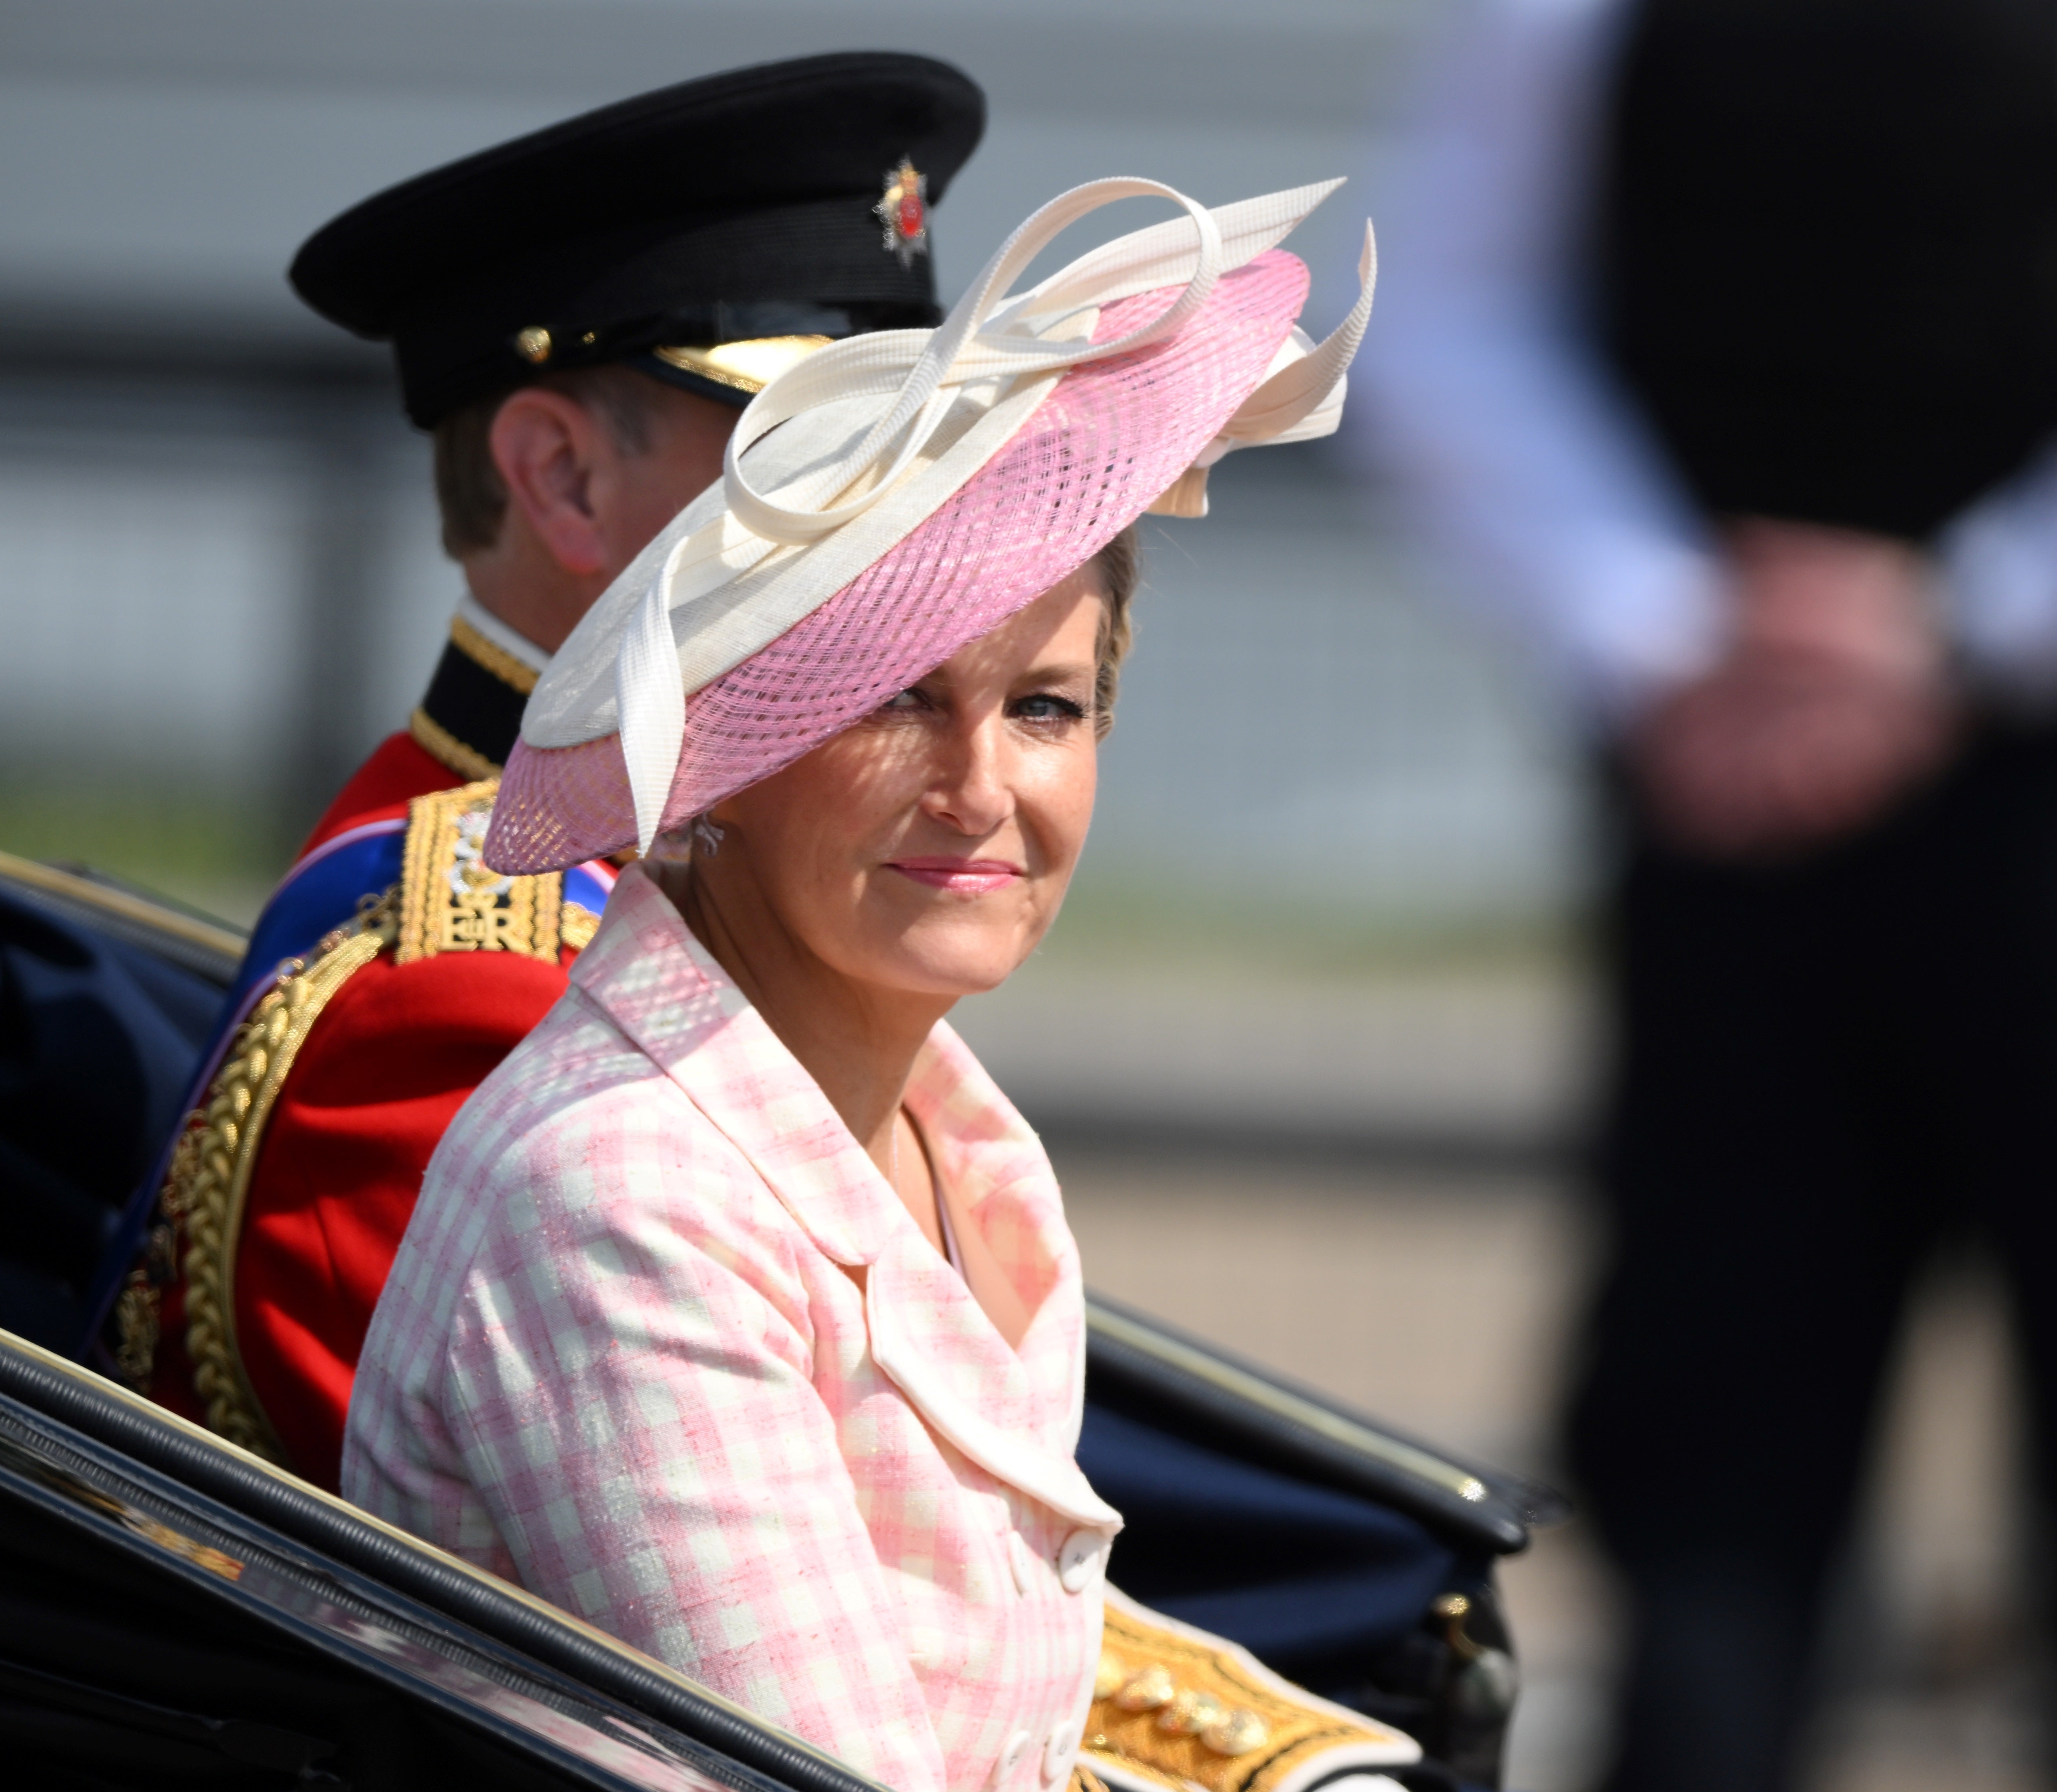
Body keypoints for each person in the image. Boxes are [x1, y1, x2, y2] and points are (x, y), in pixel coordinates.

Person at [345, 175, 1407, 1792]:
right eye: (895, 700)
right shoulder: (620, 1195)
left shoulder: (952, 1142)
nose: (981, 787)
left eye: (1044, 709)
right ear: (717, 748)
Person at [89, 53, 989, 1487]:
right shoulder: (462, 991)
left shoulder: (704, 858)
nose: (901, 515)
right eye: (816, 453)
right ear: (563, 479)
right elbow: (651, 1634)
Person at [1356, 2, 2057, 1787]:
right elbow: (1451, 307)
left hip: (1915, 761)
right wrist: (1670, 635)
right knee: (1711, 1493)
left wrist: (1950, 618)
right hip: (1725, 815)